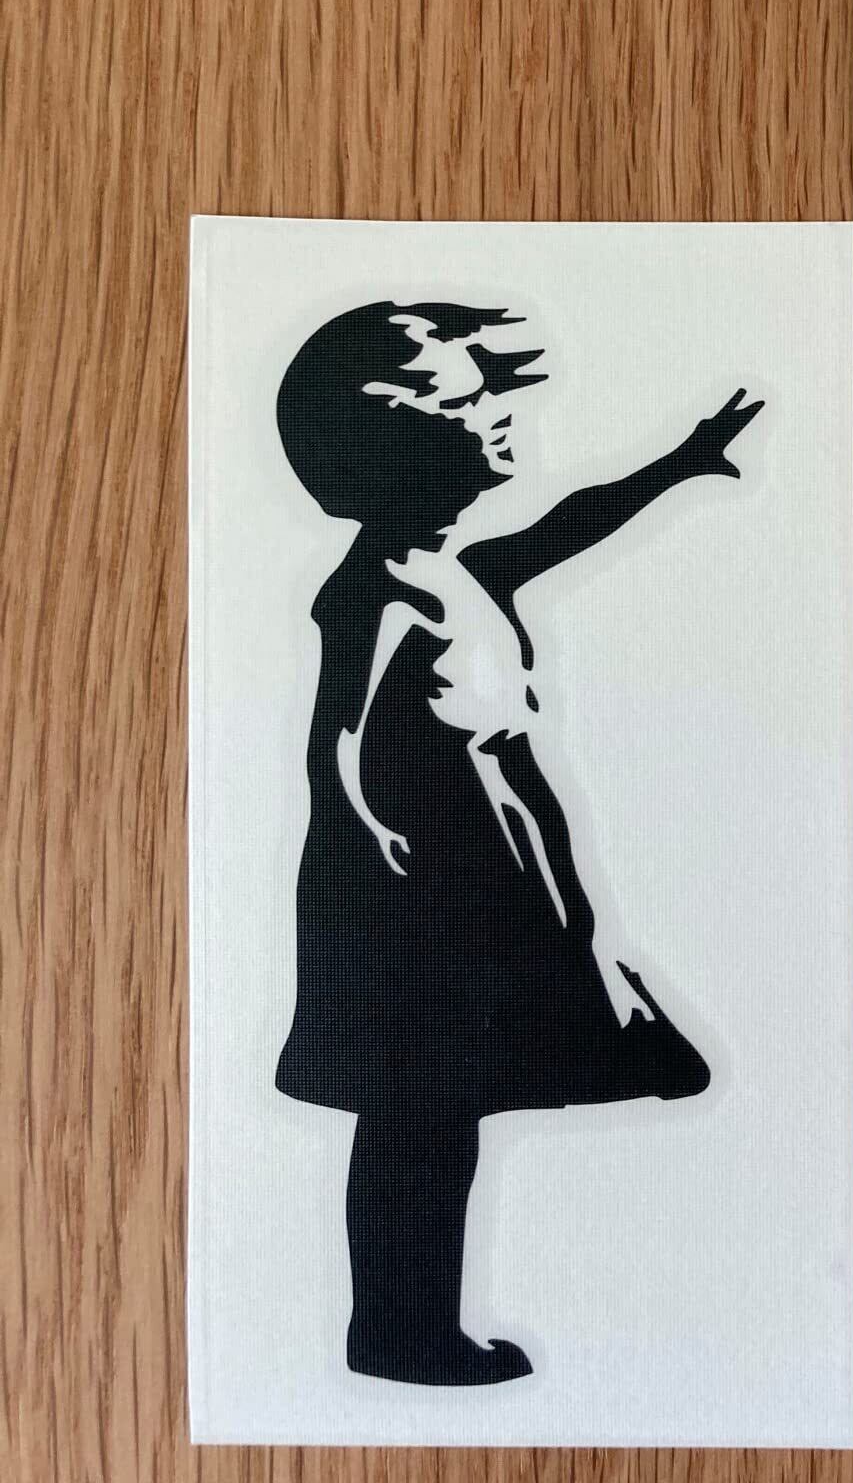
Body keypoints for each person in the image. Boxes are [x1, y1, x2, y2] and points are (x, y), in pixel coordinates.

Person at [273, 299, 763, 1385]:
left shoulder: (465, 570)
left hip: (492, 867)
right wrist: (364, 821)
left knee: (446, 1109)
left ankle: (409, 1326)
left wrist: (681, 462)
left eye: (492, 392)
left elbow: (567, 524)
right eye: (467, 402)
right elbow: (337, 732)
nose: (499, 414)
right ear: (391, 440)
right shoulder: (377, 589)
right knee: (418, 1112)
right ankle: (401, 1332)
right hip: (418, 884)